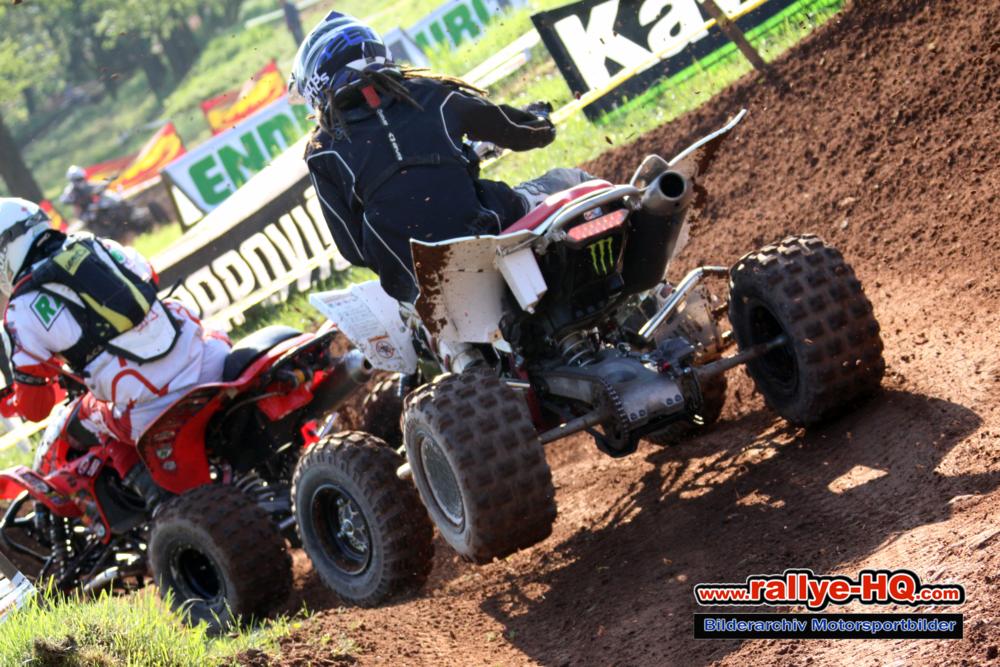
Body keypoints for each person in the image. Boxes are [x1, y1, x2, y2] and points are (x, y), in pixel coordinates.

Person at [291, 12, 596, 302]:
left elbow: (353, 249)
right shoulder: (429, 93)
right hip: (486, 230)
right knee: (570, 180)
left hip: (414, 283)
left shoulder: (321, 149)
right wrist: (541, 121)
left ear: (317, 82)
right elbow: (523, 133)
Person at [0, 198, 230, 447]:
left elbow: (36, 409)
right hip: (211, 361)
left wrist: (14, 401)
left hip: (149, 409)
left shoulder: (19, 311)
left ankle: (147, 474)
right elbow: (150, 277)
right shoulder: (97, 244)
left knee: (81, 421)